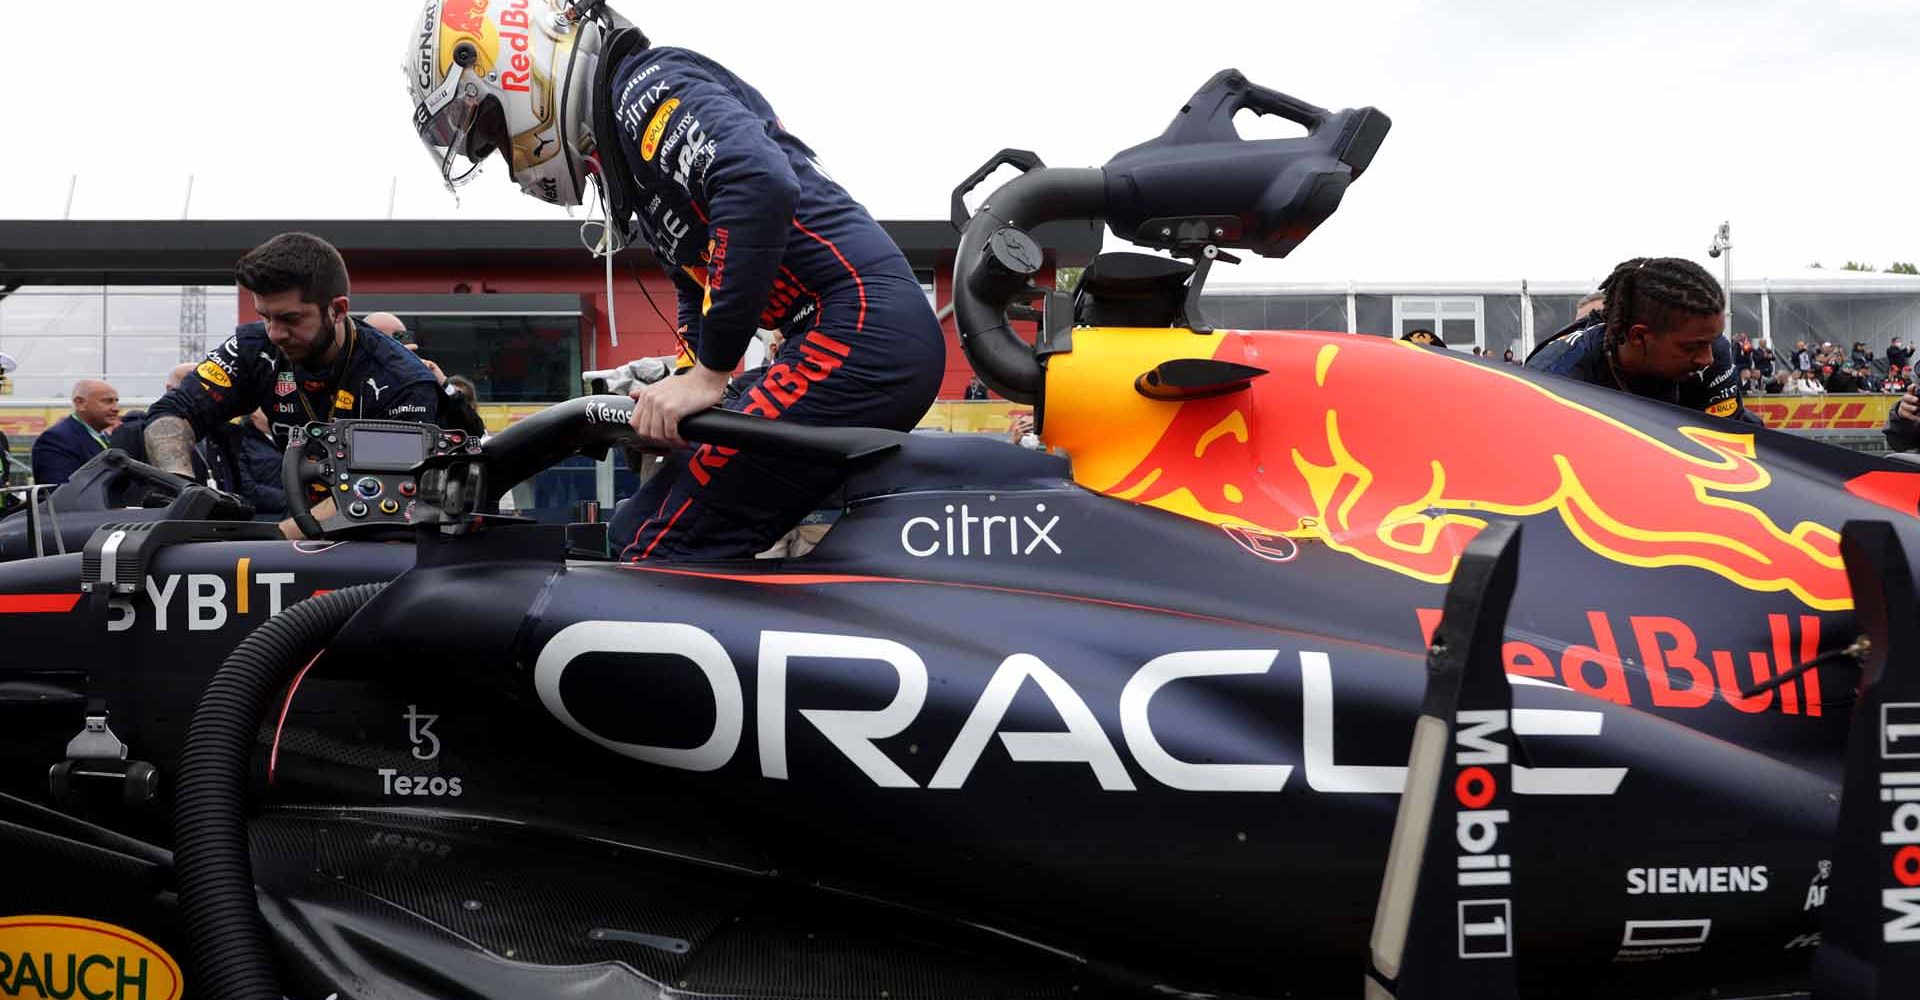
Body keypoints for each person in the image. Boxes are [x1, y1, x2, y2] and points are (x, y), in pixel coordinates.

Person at [405, 1, 944, 561]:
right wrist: (683, 383)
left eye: (491, 130)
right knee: (647, 521)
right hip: (843, 332)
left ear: (514, 67)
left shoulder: (643, 88)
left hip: (859, 326)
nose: (504, 156)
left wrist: (711, 373)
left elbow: (758, 182)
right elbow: (698, 285)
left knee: (652, 541)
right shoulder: (632, 156)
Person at [145, 233, 440, 535]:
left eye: (291, 319)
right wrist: (182, 486)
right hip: (297, 521)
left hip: (386, 540)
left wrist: (271, 539)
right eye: (265, 317)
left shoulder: (401, 378)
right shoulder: (255, 348)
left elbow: (378, 491)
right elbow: (171, 413)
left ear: (337, 310)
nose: (275, 333)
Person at [1526, 257, 1759, 424]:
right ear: (1638, 337)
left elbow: (1733, 443)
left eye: (1713, 339)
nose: (1707, 358)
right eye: (1691, 347)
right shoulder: (1554, 378)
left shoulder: (1712, 350)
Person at [361, 311, 487, 436]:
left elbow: (474, 431)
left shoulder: (426, 383)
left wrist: (444, 384)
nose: (407, 357)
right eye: (397, 349)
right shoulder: (355, 383)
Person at [31, 379, 120, 486]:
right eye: (107, 401)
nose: (116, 408)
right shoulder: (57, 439)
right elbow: (60, 493)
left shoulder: (106, 437)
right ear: (80, 403)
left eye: (116, 401)